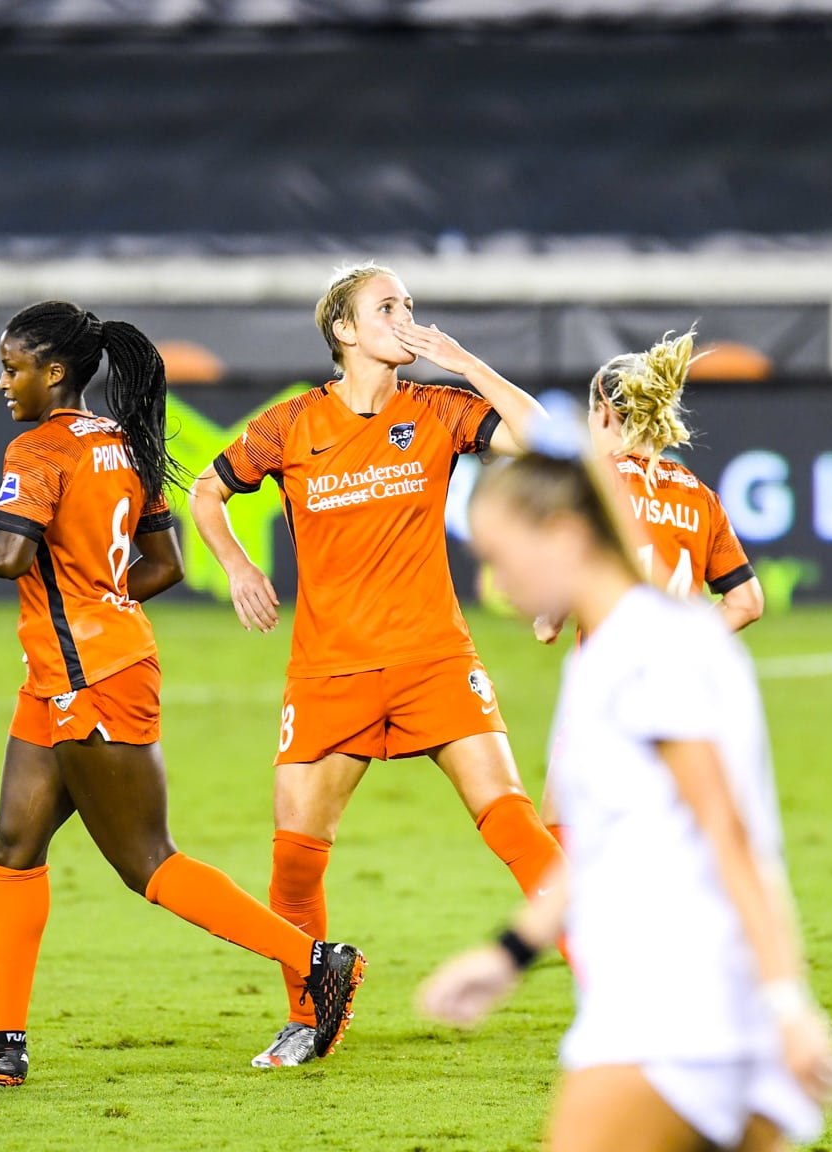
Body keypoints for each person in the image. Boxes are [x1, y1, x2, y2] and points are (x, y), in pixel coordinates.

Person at [0, 302, 363, 1085]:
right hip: (67, 670)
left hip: (92, 678)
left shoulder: (40, 444)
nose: (2, 383)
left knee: (146, 861)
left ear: (55, 373)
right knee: (13, 846)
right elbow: (163, 566)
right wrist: (95, 597)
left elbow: (12, 556)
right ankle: (1, 1041)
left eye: (12, 368)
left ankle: (318, 961)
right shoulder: (118, 443)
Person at [418, 442, 832, 1152]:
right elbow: (611, 838)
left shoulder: (647, 651)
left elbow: (727, 832)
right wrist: (510, 953)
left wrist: (787, 1003)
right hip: (692, 1001)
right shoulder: (624, 646)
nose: (495, 583)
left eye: (501, 556)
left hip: (677, 1005)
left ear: (564, 534)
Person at [188, 264, 564, 1067]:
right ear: (345, 333)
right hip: (332, 669)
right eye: (387, 307)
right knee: (294, 856)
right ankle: (308, 1014)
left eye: (411, 306)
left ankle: (625, 992)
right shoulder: (290, 424)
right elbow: (205, 494)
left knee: (513, 824)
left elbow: (542, 438)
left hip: (435, 657)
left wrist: (466, 363)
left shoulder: (441, 409)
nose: (407, 318)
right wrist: (238, 567)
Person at [532, 327, 763, 646]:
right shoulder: (701, 496)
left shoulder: (599, 481)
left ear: (604, 413)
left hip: (613, 674)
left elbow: (570, 556)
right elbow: (746, 603)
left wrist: (550, 619)